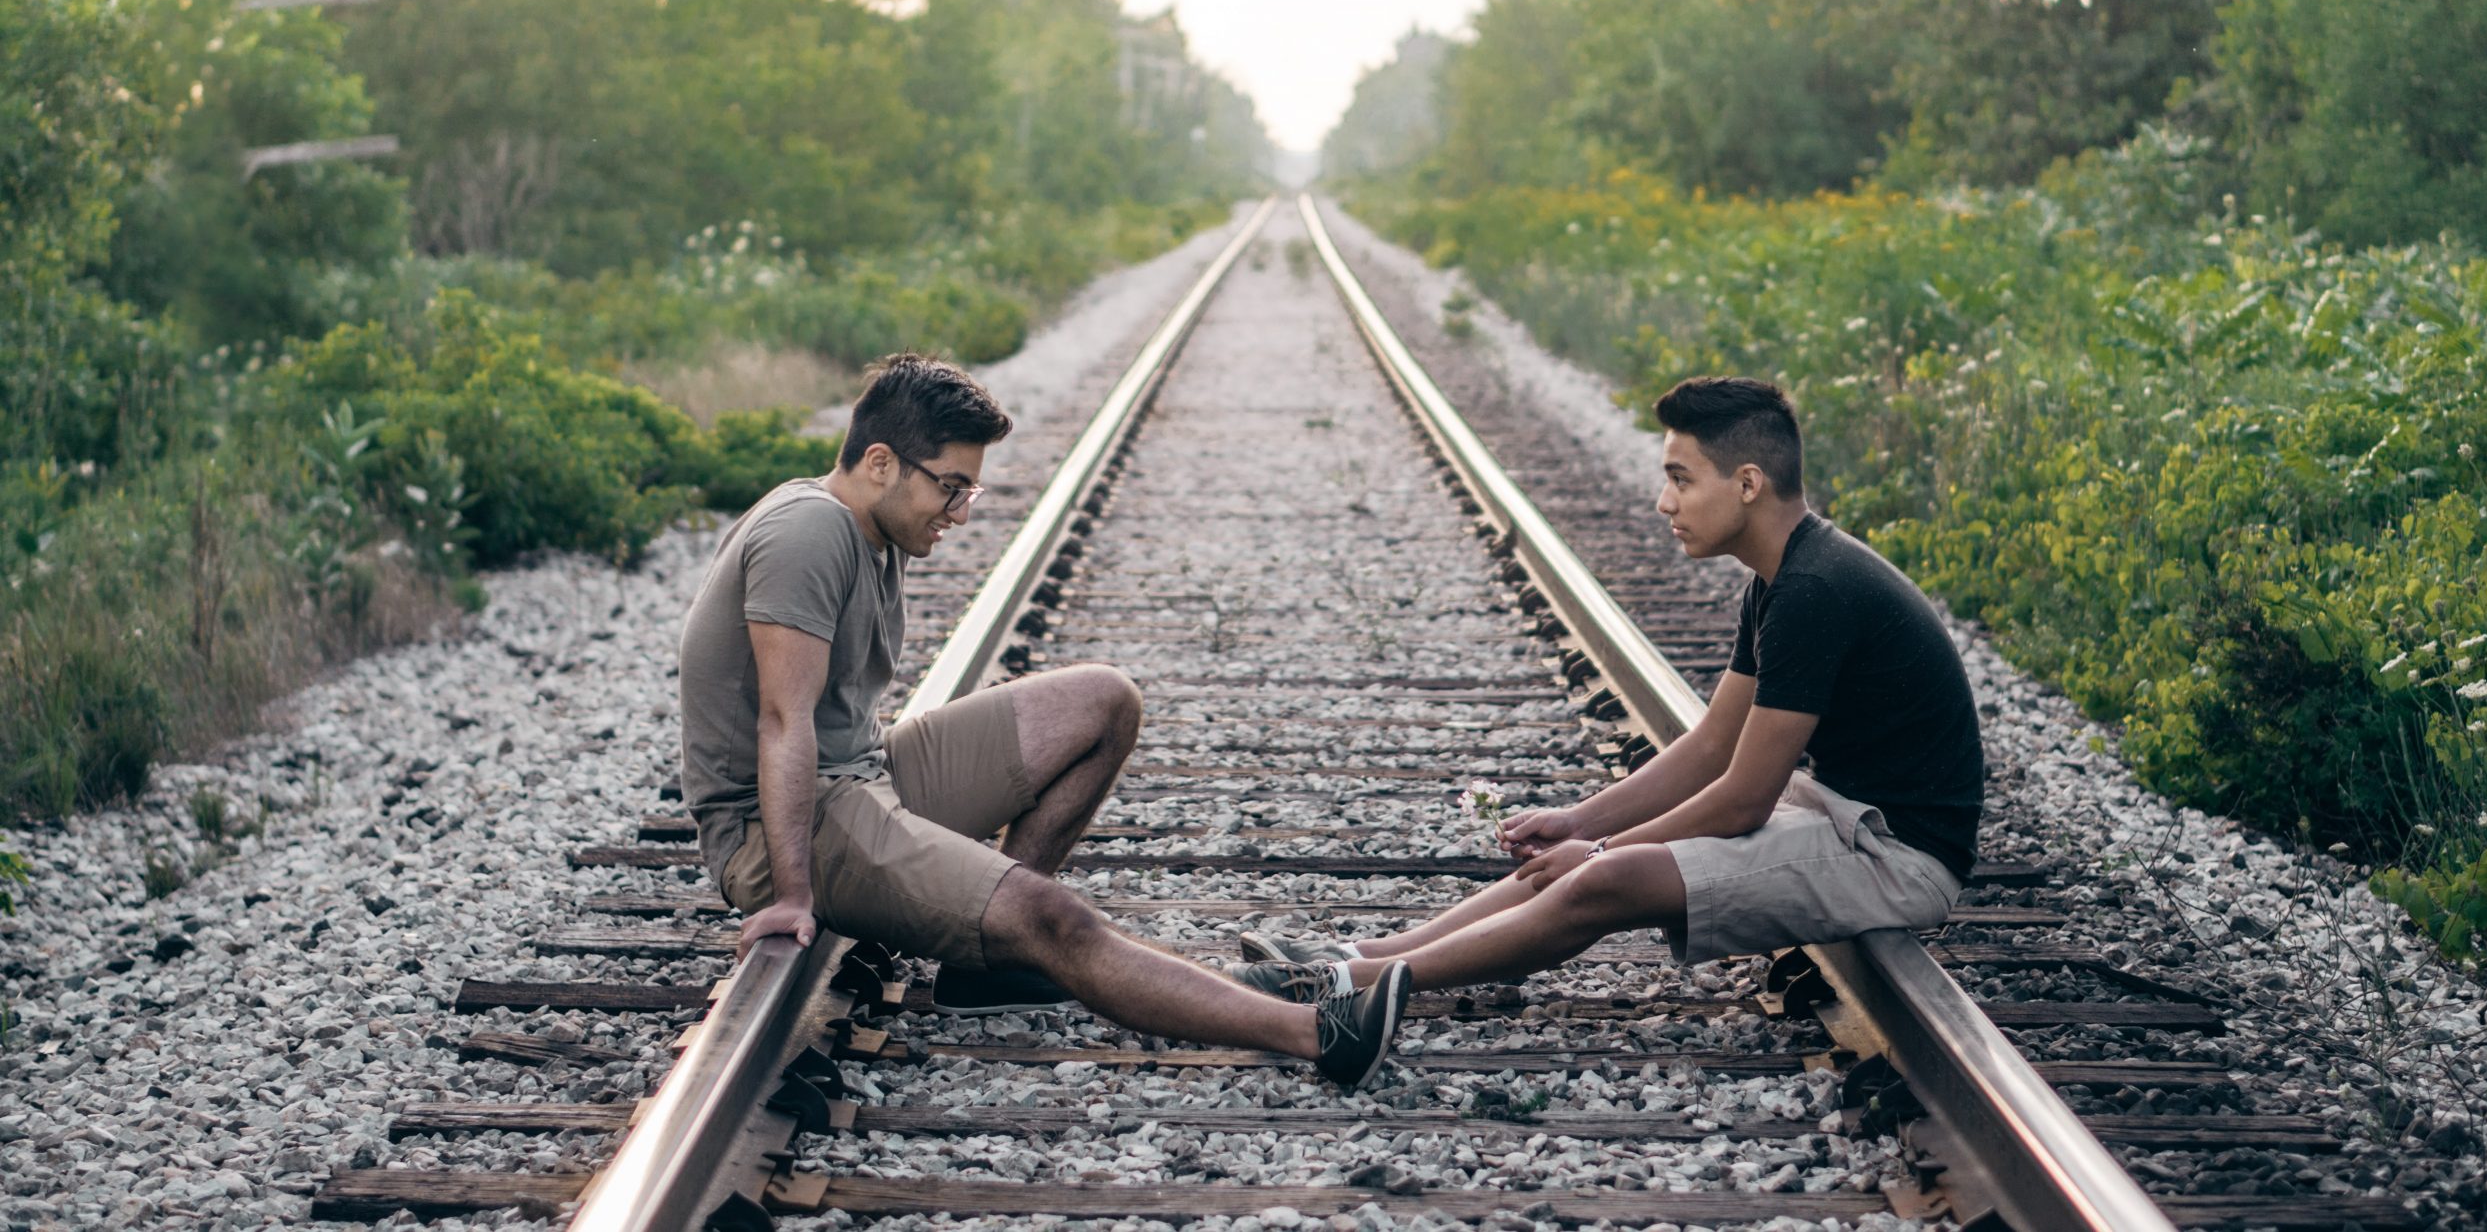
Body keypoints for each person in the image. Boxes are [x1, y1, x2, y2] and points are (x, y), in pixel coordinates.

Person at [679, 352, 1410, 1086]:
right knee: (1051, 916)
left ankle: (986, 962)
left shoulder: (873, 530)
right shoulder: (809, 531)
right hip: (776, 827)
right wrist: (794, 894)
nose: (960, 512)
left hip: (863, 775)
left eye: (971, 489)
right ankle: (1318, 1034)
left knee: (1104, 701)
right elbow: (783, 721)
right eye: (950, 486)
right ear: (879, 462)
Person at [1228, 376, 1984, 1001]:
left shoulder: (1815, 590)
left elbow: (1745, 797)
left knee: (1609, 876)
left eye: (1681, 479)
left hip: (1899, 855)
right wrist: (1577, 820)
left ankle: (1355, 982)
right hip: (1845, 814)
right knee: (1592, 858)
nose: (1665, 503)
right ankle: (1364, 951)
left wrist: (1599, 850)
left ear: (1748, 484)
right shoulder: (1786, 577)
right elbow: (1714, 745)